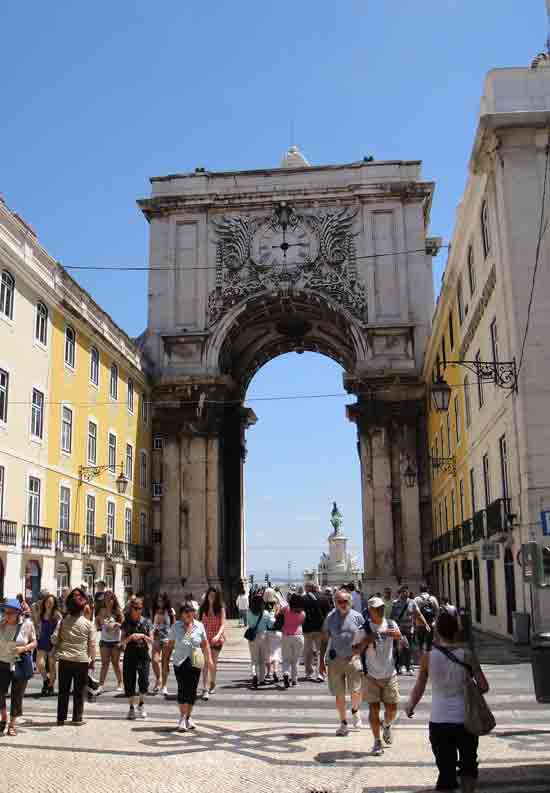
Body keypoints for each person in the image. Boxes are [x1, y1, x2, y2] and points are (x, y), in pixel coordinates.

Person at [406, 611, 489, 793]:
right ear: (457, 630)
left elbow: (419, 687)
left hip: (439, 721)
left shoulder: (427, 657)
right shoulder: (467, 655)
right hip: (466, 720)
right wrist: (467, 687)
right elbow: (483, 686)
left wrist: (410, 705)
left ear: (437, 632)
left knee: (446, 773)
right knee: (468, 766)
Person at [356, 596, 402, 756]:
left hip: (389, 673)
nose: (381, 610)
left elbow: (401, 639)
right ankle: (376, 741)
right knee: (373, 709)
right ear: (370, 610)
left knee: (392, 709)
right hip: (371, 676)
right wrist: (368, 639)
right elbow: (355, 650)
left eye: (382, 607)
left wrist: (398, 636)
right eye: (377, 608)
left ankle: (387, 725)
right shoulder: (364, 628)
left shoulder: (391, 624)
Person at [319, 588, 365, 736]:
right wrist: (321, 661)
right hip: (335, 661)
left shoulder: (358, 617)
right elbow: (324, 639)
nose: (343, 604)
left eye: (346, 601)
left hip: (353, 659)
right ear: (335, 603)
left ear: (350, 602)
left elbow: (365, 638)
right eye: (340, 602)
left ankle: (355, 710)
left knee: (356, 691)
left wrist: (363, 654)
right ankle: (343, 722)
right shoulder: (330, 618)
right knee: (339, 694)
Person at [53, 587, 96, 726]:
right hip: (81, 660)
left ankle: (60, 718)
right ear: (82, 608)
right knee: (79, 691)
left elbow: (54, 639)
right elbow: (92, 645)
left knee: (63, 691)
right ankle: (77, 718)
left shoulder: (63, 621)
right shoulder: (88, 624)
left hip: (65, 659)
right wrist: (92, 660)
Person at [167, 602, 213, 731]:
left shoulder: (199, 626)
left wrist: (209, 659)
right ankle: (182, 717)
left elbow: (204, 644)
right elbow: (172, 644)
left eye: (190, 611)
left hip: (196, 658)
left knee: (192, 690)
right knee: (183, 688)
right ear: (181, 614)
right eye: (185, 612)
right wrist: (165, 662)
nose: (188, 614)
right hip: (180, 660)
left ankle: (188, 717)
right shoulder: (176, 627)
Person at [0, 598, 37, 736]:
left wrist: (24, 648)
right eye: (5, 611)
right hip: (2, 661)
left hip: (20, 662)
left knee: (17, 695)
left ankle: (12, 724)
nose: (7, 615)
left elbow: (34, 642)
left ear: (18, 613)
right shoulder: (1, 624)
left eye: (10, 612)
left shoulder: (27, 625)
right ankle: (3, 717)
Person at [121, 597, 152, 720]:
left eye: (140, 608)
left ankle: (141, 704)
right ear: (131, 609)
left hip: (143, 655)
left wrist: (143, 636)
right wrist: (130, 638)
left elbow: (152, 641)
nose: (138, 611)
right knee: (129, 681)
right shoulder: (126, 622)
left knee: (144, 680)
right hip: (130, 655)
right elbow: (121, 642)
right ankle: (131, 708)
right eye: (136, 608)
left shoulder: (146, 622)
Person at [198, 587, 226, 699]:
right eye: (210, 595)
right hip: (205, 639)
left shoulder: (220, 608)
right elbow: (199, 622)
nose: (211, 597)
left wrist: (218, 635)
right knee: (205, 663)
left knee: (213, 662)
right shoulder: (203, 607)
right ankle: (205, 688)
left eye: (213, 596)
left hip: (216, 638)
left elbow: (223, 624)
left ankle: (212, 683)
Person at [95, 590, 123, 694]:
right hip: (105, 640)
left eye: (110, 599)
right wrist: (99, 625)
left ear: (113, 599)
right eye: (106, 598)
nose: (108, 601)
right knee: (104, 664)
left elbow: (124, 625)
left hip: (115, 641)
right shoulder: (101, 611)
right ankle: (101, 685)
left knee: (115, 663)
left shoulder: (117, 611)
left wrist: (116, 625)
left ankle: (120, 683)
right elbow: (97, 622)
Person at [246, 592, 275, 689]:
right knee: (262, 660)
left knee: (254, 660)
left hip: (252, 637)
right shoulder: (266, 613)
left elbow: (249, 623)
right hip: (263, 636)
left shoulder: (249, 612)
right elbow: (271, 625)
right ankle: (261, 679)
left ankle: (254, 674)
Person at [303, 583, 330, 682]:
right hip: (320, 629)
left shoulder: (304, 598)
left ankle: (308, 673)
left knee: (308, 652)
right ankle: (320, 674)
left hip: (307, 629)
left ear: (309, 588)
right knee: (320, 652)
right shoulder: (324, 598)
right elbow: (328, 613)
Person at [36, 593, 61, 696]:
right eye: (47, 602)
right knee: (40, 664)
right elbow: (38, 626)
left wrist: (56, 636)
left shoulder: (57, 615)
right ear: (44, 603)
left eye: (51, 602)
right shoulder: (41, 614)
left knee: (51, 666)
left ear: (54, 603)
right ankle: (46, 681)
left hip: (53, 643)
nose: (49, 604)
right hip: (42, 642)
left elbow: (60, 627)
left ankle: (51, 686)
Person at [151, 593, 176, 696]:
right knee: (154, 660)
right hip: (156, 638)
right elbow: (152, 624)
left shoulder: (170, 611)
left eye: (161, 600)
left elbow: (174, 626)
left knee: (165, 663)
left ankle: (164, 686)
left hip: (167, 638)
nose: (160, 602)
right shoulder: (153, 610)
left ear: (165, 601)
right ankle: (158, 679)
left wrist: (173, 640)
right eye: (158, 600)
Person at [281, 593, 305, 688]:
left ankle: (286, 673)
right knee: (295, 660)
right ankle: (294, 681)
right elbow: (301, 622)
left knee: (286, 659)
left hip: (286, 635)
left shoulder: (285, 609)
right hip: (298, 636)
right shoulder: (302, 613)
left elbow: (278, 615)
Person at [391, 585, 415, 675]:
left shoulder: (412, 602)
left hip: (409, 629)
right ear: (400, 593)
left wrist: (416, 626)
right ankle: (400, 666)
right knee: (399, 649)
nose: (406, 593)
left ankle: (410, 666)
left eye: (407, 591)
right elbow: (392, 617)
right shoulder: (395, 603)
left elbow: (417, 614)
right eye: (403, 591)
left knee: (409, 648)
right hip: (399, 629)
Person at [414, 585, 439, 654]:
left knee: (420, 643)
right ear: (427, 590)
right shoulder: (433, 598)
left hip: (419, 624)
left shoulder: (416, 599)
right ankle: (429, 658)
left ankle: (422, 658)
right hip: (430, 624)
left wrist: (414, 623)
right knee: (429, 643)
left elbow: (414, 612)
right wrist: (435, 622)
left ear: (420, 590)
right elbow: (437, 610)